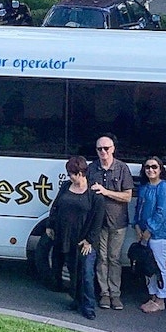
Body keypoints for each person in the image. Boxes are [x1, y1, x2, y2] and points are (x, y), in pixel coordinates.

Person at [46, 156, 105, 320]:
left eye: (73, 173)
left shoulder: (94, 193)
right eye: (69, 173)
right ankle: (76, 300)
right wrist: (50, 225)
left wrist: (89, 240)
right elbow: (56, 206)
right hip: (66, 237)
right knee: (73, 272)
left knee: (86, 274)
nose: (70, 176)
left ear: (82, 172)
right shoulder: (66, 187)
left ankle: (88, 306)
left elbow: (98, 219)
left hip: (85, 240)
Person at [87, 133, 134, 310]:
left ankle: (116, 294)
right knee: (101, 259)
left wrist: (106, 192)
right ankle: (104, 294)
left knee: (114, 259)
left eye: (106, 148)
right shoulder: (92, 169)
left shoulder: (122, 168)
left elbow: (128, 196)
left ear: (113, 149)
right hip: (98, 223)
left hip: (118, 222)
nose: (103, 152)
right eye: (100, 149)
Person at [133, 156, 166, 313]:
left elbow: (162, 212)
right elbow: (138, 209)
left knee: (159, 266)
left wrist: (150, 230)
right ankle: (152, 296)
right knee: (147, 266)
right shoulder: (143, 187)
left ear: (160, 169)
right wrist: (136, 226)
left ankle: (161, 299)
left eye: (154, 167)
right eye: (148, 167)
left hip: (159, 234)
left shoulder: (165, 187)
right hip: (143, 233)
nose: (151, 170)